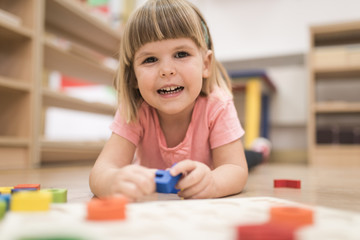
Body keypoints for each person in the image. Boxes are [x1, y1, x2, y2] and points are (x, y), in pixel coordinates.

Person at [89, 0, 248, 201]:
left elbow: (235, 169)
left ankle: (259, 151)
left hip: (215, 165)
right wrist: (113, 181)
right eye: (150, 59)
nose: (167, 70)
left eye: (181, 54)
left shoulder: (218, 105)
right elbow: (100, 172)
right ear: (134, 76)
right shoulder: (135, 110)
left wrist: (213, 183)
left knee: (249, 158)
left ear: (205, 64)